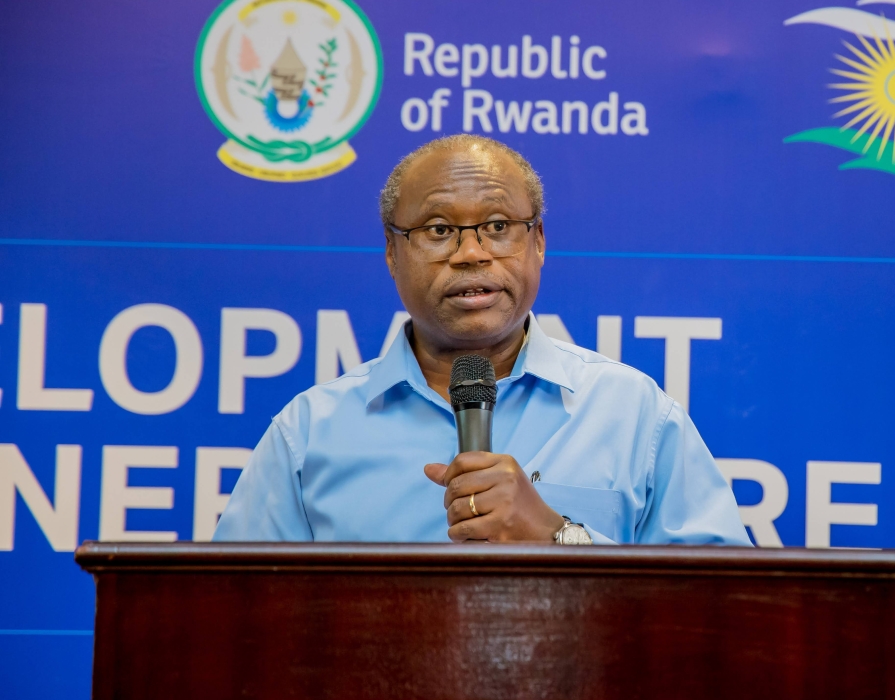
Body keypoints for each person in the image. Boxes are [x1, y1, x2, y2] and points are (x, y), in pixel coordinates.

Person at [214, 134, 750, 546]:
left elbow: (724, 612)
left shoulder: (635, 415)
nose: (471, 253)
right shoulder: (309, 433)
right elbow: (233, 616)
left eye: (497, 226)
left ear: (538, 242)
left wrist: (558, 535)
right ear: (392, 253)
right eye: (438, 230)